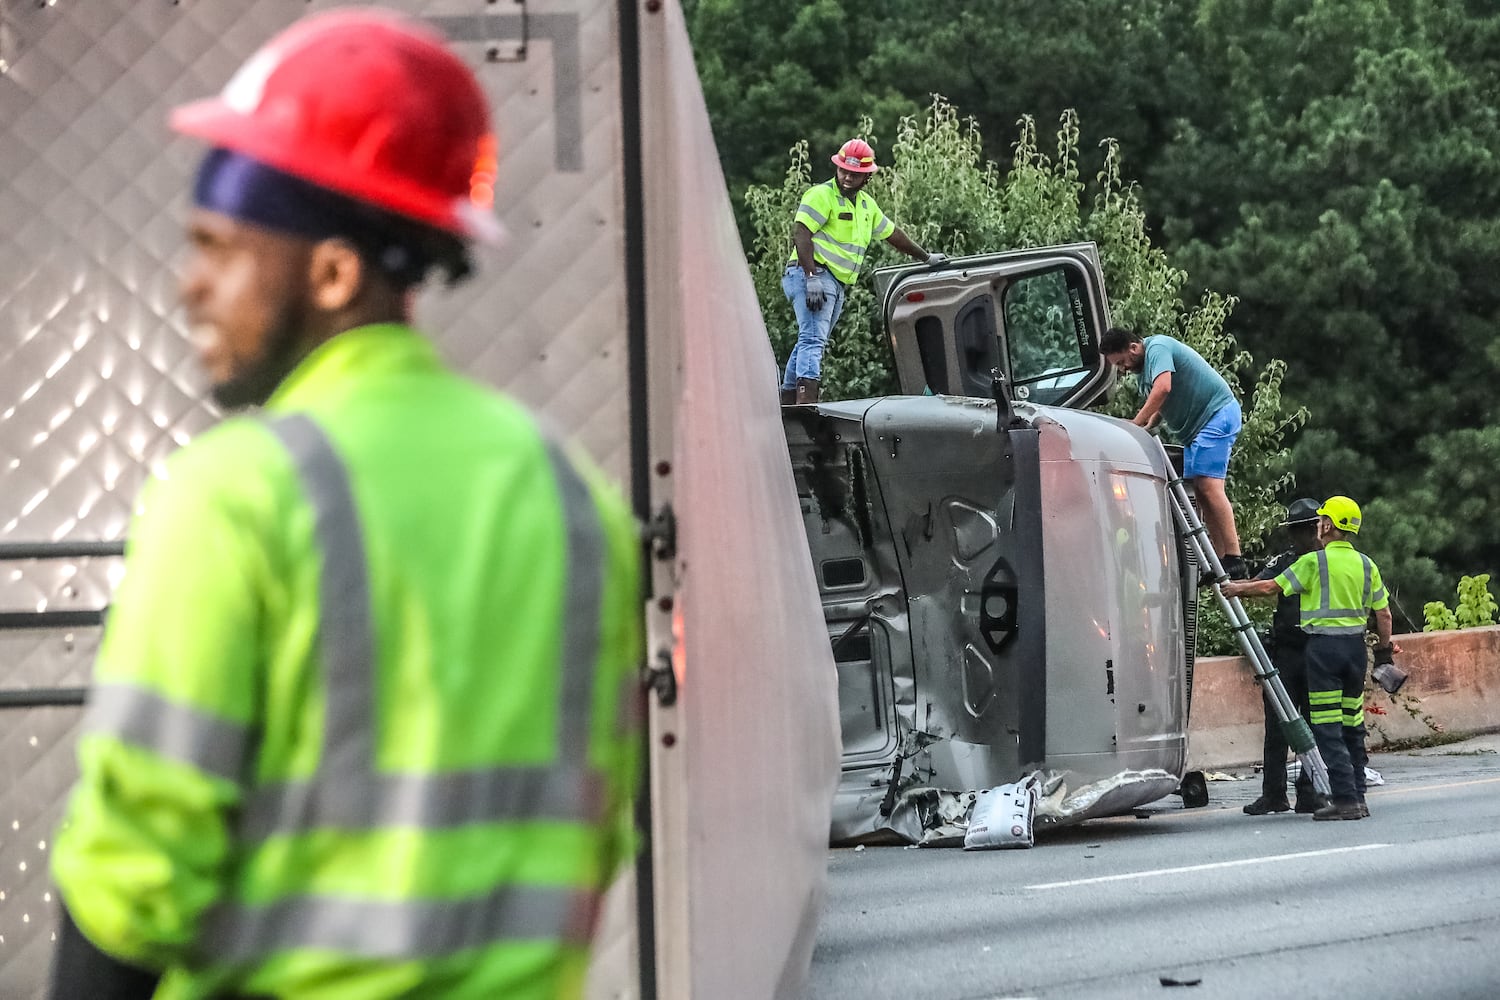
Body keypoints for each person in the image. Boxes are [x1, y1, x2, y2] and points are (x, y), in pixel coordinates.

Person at [47, 10, 642, 998]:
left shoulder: (237, 493)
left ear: (332, 271)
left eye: (220, 248)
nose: (191, 288)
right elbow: (597, 831)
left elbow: (133, 883)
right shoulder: (571, 494)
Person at [1223, 496, 1392, 821]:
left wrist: (1233, 589)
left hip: (1322, 652)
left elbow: (1269, 586)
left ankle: (1337, 797)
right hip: (1350, 652)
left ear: (1326, 525)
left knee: (1326, 727)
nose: (1313, 529)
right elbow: (1383, 614)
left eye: (1317, 522)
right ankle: (1353, 795)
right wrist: (1384, 653)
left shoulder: (1315, 562)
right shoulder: (1366, 563)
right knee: (1349, 725)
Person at [780, 138, 943, 405]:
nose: (847, 177)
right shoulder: (821, 195)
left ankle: (788, 401)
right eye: (843, 170)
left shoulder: (867, 206)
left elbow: (893, 235)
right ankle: (806, 405)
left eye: (854, 174)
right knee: (813, 340)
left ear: (866, 176)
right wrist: (811, 277)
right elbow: (802, 233)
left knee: (810, 340)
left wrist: (925, 258)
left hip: (835, 282)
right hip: (812, 274)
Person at [1099, 326, 1247, 580]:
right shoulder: (1143, 373)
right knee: (1200, 492)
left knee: (1210, 486)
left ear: (1134, 347)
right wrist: (1146, 426)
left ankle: (1235, 556)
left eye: (1122, 361)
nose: (1123, 368)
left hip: (1216, 415)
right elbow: (1162, 402)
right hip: (1196, 430)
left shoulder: (1158, 348)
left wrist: (1135, 422)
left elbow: (1164, 388)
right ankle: (1222, 560)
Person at [1241, 499, 1328, 816]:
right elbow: (1260, 585)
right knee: (1278, 725)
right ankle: (1274, 794)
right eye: (1295, 531)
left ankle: (1310, 792)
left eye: (1303, 530)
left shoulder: (1329, 561)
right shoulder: (1286, 560)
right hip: (1288, 651)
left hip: (1317, 649)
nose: (1298, 537)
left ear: (1316, 529)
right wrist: (1235, 586)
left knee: (1315, 724)